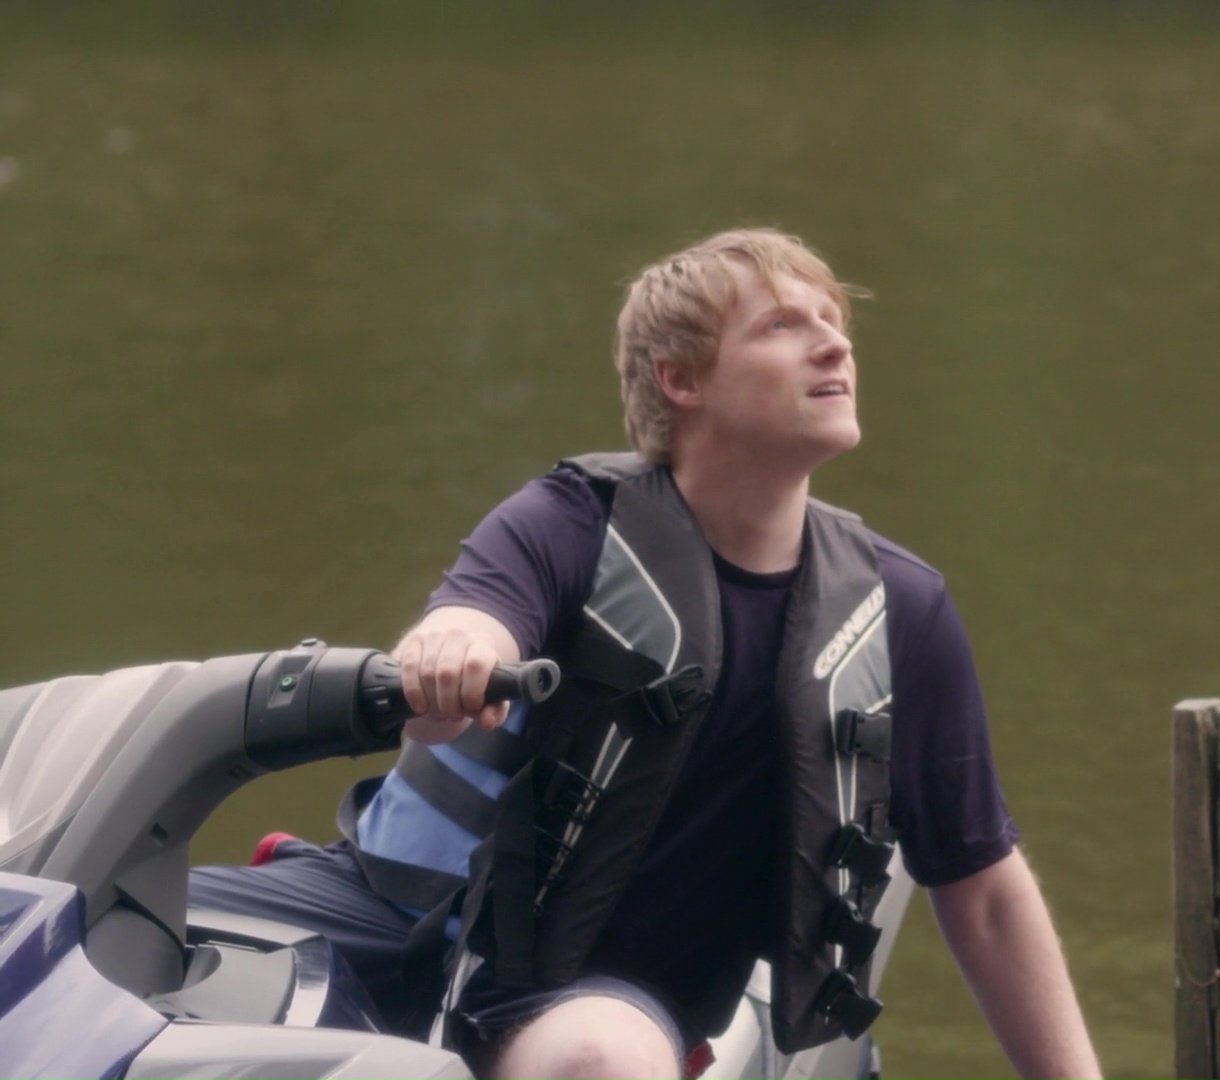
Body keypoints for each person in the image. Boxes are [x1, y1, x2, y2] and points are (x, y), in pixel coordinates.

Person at [192, 228, 1105, 1080]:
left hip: (584, 997)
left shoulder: (903, 610)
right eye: (784, 326)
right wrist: (448, 652)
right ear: (680, 379)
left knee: (604, 1061)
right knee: (106, 916)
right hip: (378, 909)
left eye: (835, 324)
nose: (834, 345)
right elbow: (468, 628)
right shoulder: (569, 520)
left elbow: (985, 894)